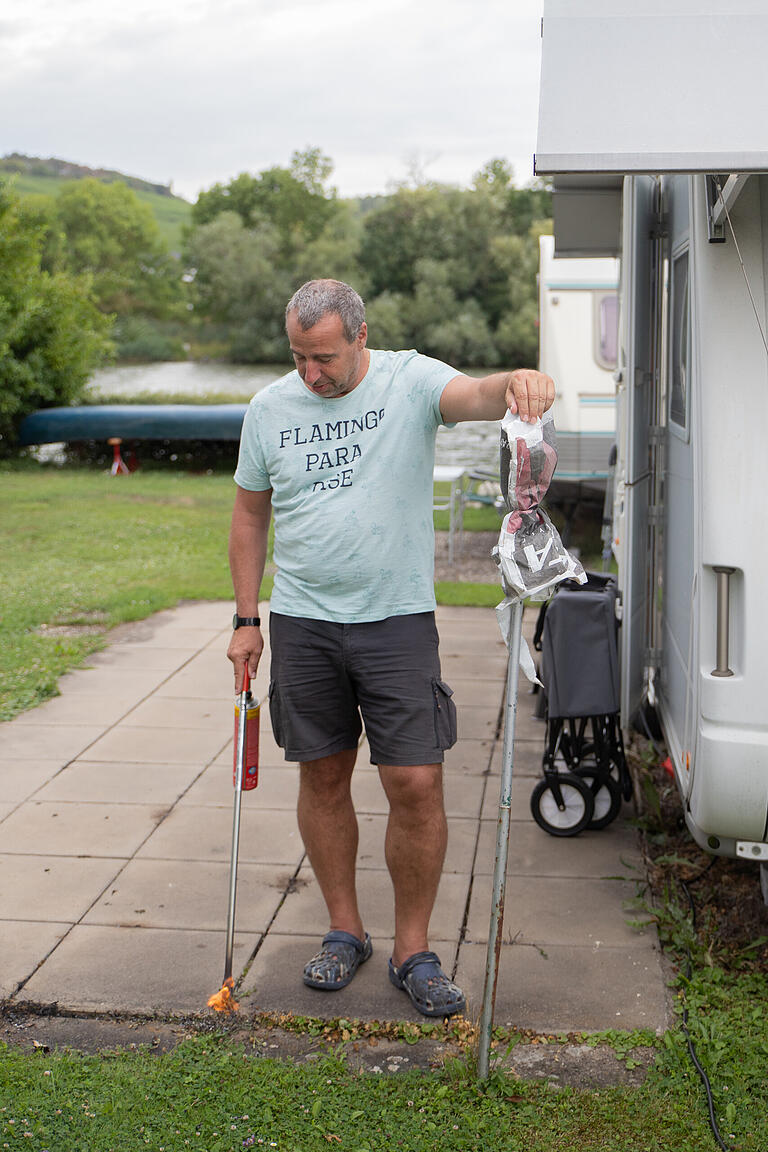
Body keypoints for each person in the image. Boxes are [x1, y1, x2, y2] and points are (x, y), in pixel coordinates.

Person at [227, 279, 554, 1017]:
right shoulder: (271, 408)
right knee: (322, 777)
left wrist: (518, 383)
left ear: (362, 336)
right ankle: (345, 932)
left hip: (396, 620)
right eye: (300, 357)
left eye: (326, 358)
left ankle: (414, 950)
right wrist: (246, 620)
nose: (313, 374)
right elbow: (249, 517)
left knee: (415, 784)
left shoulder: (410, 380)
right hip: (304, 622)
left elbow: (475, 395)